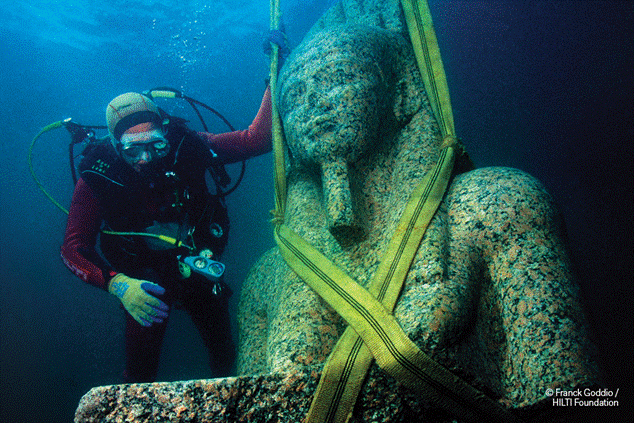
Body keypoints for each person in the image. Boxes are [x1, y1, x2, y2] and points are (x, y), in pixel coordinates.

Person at [61, 33, 288, 382]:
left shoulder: (189, 146)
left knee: (225, 357)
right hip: (140, 280)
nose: (145, 159)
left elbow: (255, 139)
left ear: (166, 130)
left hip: (196, 263)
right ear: (114, 146)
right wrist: (118, 285)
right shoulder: (98, 175)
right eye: (131, 150)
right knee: (139, 374)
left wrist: (275, 71)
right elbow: (73, 249)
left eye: (155, 145)